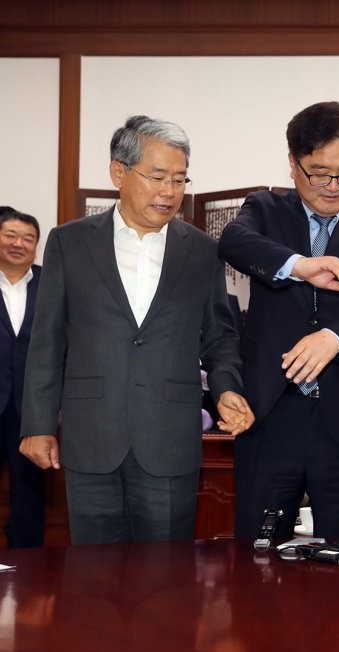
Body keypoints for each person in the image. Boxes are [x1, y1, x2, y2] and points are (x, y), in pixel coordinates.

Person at [19, 115, 253, 545]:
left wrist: (226, 389)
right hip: (91, 435)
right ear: (118, 173)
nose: (170, 191)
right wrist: (38, 424)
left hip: (169, 436)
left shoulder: (202, 251)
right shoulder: (70, 242)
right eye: (158, 177)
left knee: (166, 575)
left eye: (179, 179)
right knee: (93, 572)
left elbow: (221, 336)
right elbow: (47, 341)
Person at [219, 101, 339, 540]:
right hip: (271, 414)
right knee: (259, 552)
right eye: (319, 173)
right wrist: (300, 266)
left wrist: (333, 338)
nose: (333, 186)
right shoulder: (265, 209)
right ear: (293, 163)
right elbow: (232, 241)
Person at [0, 208, 44, 547]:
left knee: (29, 494)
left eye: (28, 239)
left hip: (32, 409)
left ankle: (28, 565)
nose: (19, 244)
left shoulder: (51, 283)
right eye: (11, 236)